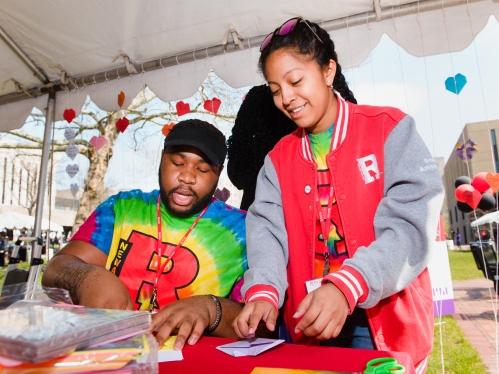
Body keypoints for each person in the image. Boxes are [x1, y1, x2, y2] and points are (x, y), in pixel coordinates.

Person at [232, 17, 444, 372]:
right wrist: (265, 290)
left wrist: (348, 284)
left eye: (295, 81)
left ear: (328, 71)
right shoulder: (277, 160)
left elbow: (409, 229)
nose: (286, 98)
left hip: (382, 320)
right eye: (274, 89)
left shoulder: (390, 129)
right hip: (309, 320)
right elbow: (266, 232)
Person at [43, 119, 247, 350]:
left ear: (218, 173)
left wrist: (212, 309)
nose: (187, 177)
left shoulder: (243, 231)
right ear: (162, 159)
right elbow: (55, 268)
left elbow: (258, 322)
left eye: (202, 169)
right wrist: (87, 278)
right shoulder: (121, 207)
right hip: (108, 354)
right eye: (178, 162)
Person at [227, 84, 297, 210]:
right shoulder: (291, 151)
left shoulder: (242, 153)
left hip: (250, 217)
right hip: (288, 217)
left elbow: (236, 180)